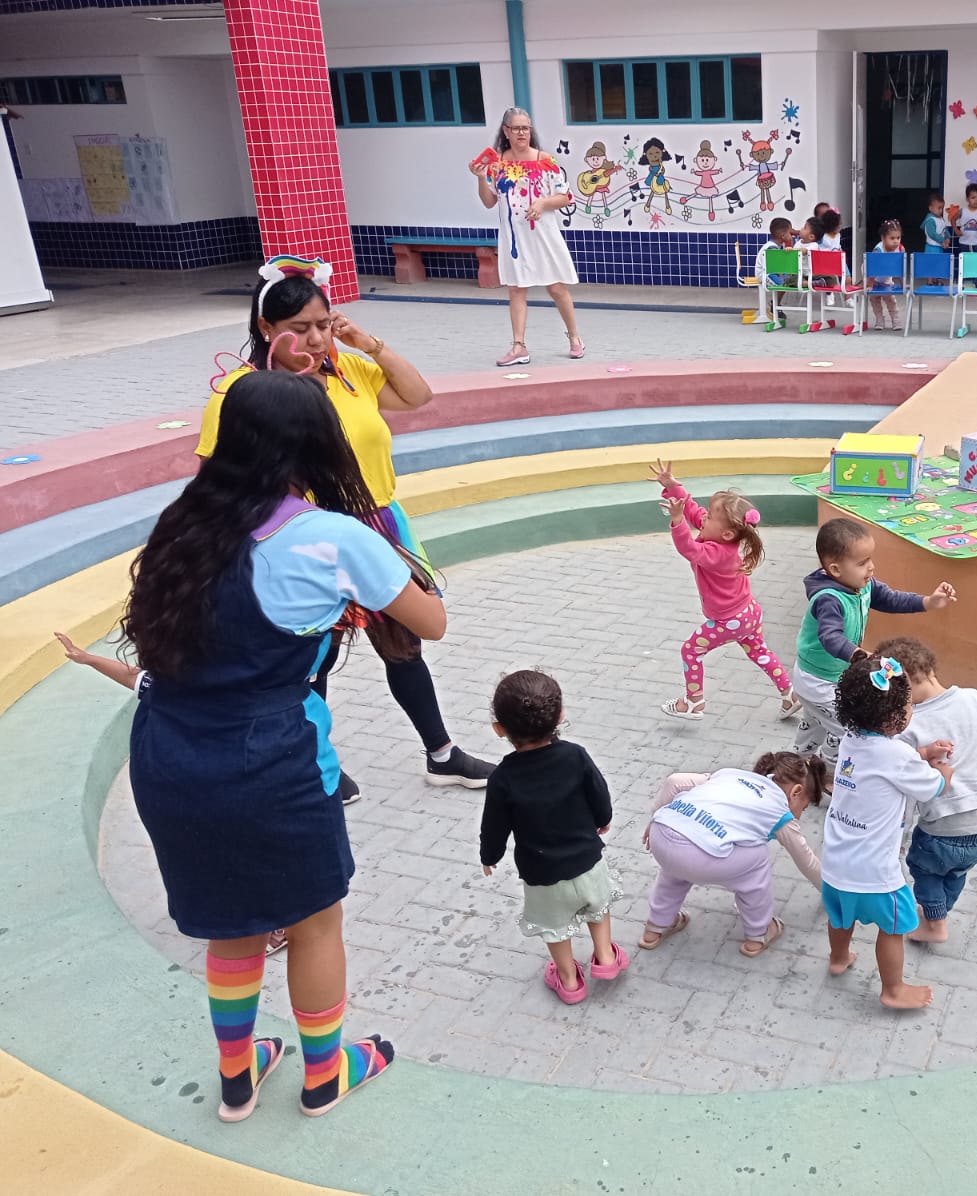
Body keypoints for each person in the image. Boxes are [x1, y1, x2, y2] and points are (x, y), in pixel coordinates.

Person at [110, 371, 447, 1121]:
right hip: (268, 761)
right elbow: (429, 622)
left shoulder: (184, 521)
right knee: (312, 922)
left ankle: (238, 1074)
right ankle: (324, 1072)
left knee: (232, 925)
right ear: (314, 443)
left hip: (167, 752)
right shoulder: (331, 537)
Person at [200, 258, 495, 807]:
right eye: (298, 328)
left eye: (322, 323)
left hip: (377, 524)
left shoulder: (347, 369)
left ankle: (441, 753)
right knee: (315, 651)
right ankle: (315, 764)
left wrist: (367, 344)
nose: (314, 338)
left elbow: (418, 395)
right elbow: (217, 478)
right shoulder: (243, 393)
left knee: (403, 643)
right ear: (266, 329)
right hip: (305, 537)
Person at [479, 669, 628, 1005]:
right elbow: (599, 793)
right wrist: (603, 820)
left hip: (543, 875)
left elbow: (495, 825)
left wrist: (490, 854)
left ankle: (569, 979)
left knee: (555, 928)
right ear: (560, 716)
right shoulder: (575, 756)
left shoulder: (503, 778)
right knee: (598, 907)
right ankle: (605, 956)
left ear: (499, 729)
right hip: (588, 861)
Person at [876, 638, 977, 945]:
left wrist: (900, 836)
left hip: (942, 824)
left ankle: (935, 924)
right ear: (930, 668)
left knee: (926, 870)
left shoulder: (910, 727)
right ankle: (941, 909)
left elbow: (907, 786)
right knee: (957, 871)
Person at [822, 654, 953, 1009]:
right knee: (893, 928)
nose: (912, 708)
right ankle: (893, 990)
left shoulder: (851, 739)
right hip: (876, 874)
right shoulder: (898, 757)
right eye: (909, 703)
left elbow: (886, 760)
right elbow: (931, 788)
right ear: (895, 717)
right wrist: (942, 770)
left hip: (835, 863)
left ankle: (838, 958)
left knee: (841, 916)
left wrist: (921, 752)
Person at [791, 518, 957, 767]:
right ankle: (828, 771)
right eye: (862, 563)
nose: (871, 567)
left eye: (870, 559)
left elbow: (890, 599)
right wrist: (859, 655)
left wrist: (928, 602)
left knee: (815, 722)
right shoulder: (828, 599)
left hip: (830, 677)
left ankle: (794, 763)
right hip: (818, 681)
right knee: (848, 728)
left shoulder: (861, 585)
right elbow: (830, 637)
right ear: (835, 570)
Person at [648, 458, 801, 722]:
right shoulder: (718, 535)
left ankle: (694, 702)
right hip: (749, 612)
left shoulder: (718, 553)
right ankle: (789, 695)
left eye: (710, 516)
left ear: (728, 534)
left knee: (690, 651)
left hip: (729, 619)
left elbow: (689, 549)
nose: (703, 516)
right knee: (759, 651)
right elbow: (692, 510)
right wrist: (673, 487)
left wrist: (676, 521)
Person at [639, 751, 829, 955]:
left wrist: (655, 818)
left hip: (663, 835)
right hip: (700, 859)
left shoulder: (728, 776)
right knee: (757, 860)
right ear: (796, 792)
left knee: (677, 866)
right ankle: (759, 933)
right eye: (805, 807)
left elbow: (675, 781)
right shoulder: (780, 812)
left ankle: (657, 925)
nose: (800, 814)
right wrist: (830, 890)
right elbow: (805, 860)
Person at [470, 106, 584, 364]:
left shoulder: (545, 160)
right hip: (514, 238)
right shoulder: (497, 163)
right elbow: (490, 202)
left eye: (526, 127)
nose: (522, 133)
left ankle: (575, 337)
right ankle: (519, 346)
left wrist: (542, 204)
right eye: (517, 128)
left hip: (543, 234)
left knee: (556, 288)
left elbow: (565, 197)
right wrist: (480, 179)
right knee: (516, 290)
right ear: (506, 131)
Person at [867, 219, 904, 331]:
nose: (895, 241)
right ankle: (879, 320)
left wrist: (903, 284)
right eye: (892, 238)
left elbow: (901, 268)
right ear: (883, 238)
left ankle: (895, 320)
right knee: (875, 300)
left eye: (898, 238)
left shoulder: (900, 249)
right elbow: (872, 269)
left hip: (886, 280)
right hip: (873, 279)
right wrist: (870, 284)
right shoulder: (878, 251)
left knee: (891, 300)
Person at [955, 182, 977, 258]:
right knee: (964, 262)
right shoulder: (962, 211)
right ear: (967, 198)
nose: (976, 200)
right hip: (964, 242)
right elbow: (952, 219)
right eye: (973, 197)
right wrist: (956, 230)